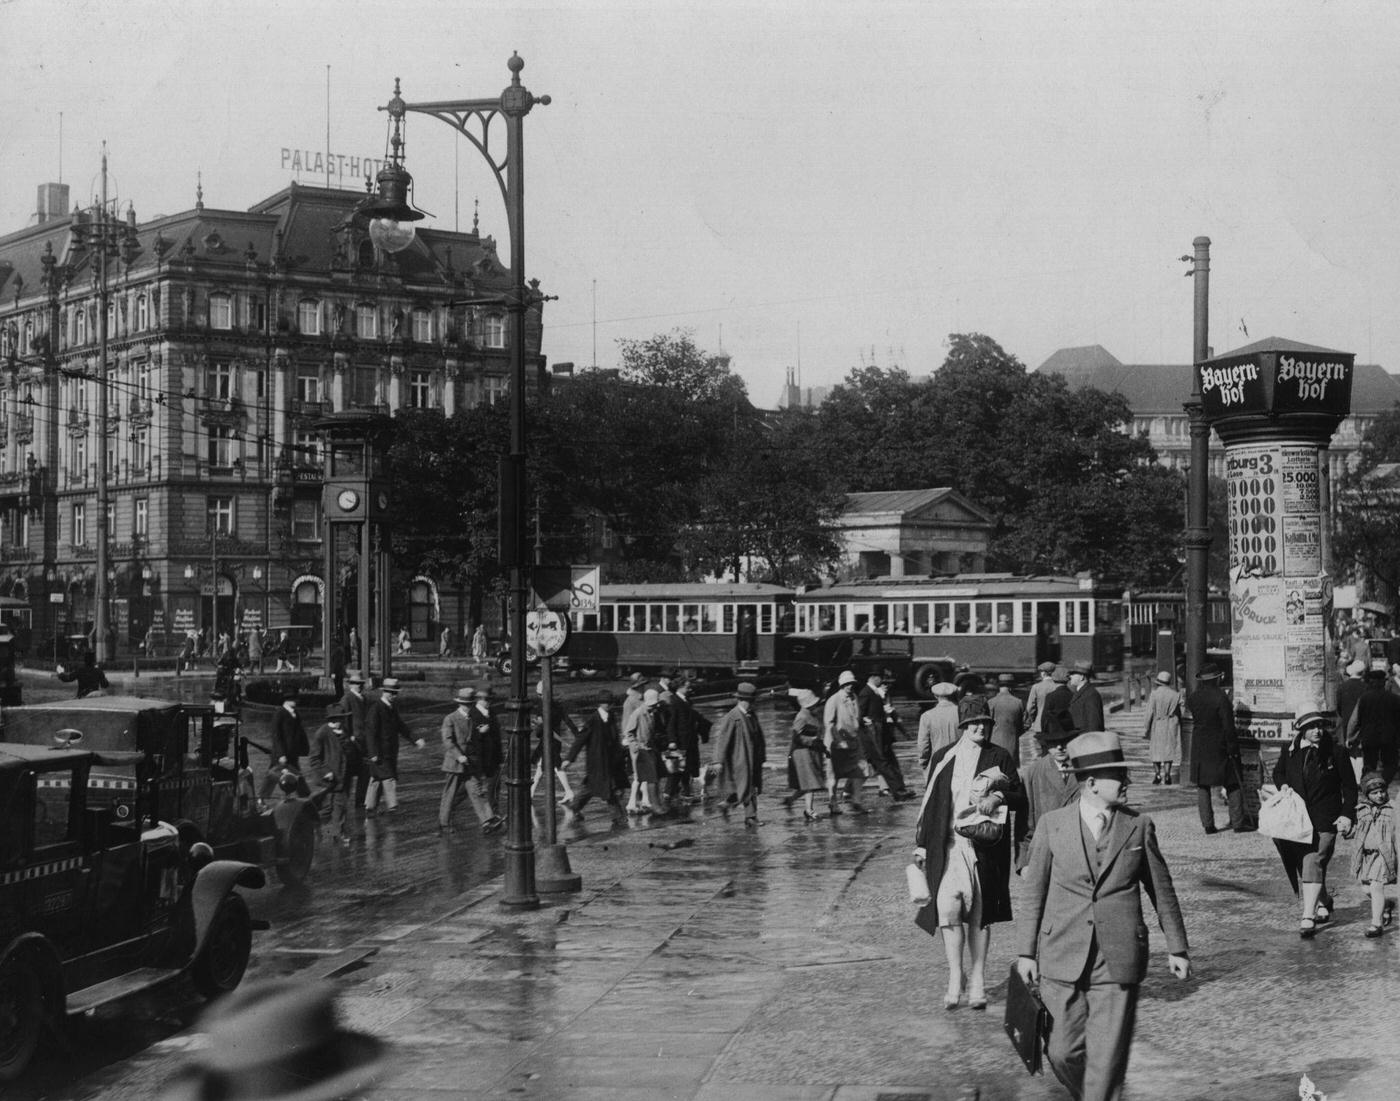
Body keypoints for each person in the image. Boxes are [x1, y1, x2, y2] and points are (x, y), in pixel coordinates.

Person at [1015, 730, 1191, 1101]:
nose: (1127, 781)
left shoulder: (1138, 826)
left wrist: (1178, 947)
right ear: (1092, 783)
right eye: (1119, 775)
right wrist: (1026, 953)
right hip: (1061, 954)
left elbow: (1162, 890)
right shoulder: (1052, 825)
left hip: (1118, 958)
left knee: (1107, 1058)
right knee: (1062, 1051)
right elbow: (1033, 894)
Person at [913, 713, 1022, 1011]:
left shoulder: (998, 755)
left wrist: (999, 796)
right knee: (947, 909)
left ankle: (977, 979)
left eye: (985, 723)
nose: (980, 728)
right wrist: (922, 845)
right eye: (973, 723)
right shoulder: (943, 757)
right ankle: (954, 975)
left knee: (979, 914)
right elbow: (929, 803)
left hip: (984, 846)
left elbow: (1019, 794)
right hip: (947, 846)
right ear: (962, 725)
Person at [1273, 708, 1357, 938]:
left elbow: (1349, 787)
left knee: (1313, 860)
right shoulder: (1289, 751)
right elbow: (1278, 773)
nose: (1317, 731)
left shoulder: (1337, 752)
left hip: (1326, 818)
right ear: (1301, 729)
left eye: (1320, 725)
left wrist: (1347, 814)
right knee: (1306, 865)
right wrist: (1283, 786)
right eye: (1311, 727)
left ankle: (1307, 916)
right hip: (1297, 820)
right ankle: (1325, 901)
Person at [1184, 662, 1248, 834]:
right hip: (1220, 745)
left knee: (1202, 785)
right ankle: (1238, 822)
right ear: (1218, 679)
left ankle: (1208, 824)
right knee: (1232, 781)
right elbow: (1228, 727)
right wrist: (1233, 748)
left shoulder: (1193, 698)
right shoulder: (1221, 698)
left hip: (1199, 746)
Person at [1014, 712, 1081, 873]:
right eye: (1053, 742)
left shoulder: (1086, 769)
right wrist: (1023, 864)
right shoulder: (1033, 773)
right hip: (1048, 858)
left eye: (1064, 741)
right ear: (1045, 743)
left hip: (1081, 855)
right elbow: (1024, 825)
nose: (1059, 747)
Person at [438, 686, 502, 835]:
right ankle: (444, 824)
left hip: (471, 762)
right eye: (465, 704)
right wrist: (458, 755)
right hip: (454, 763)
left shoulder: (473, 719)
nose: (468, 707)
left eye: (470, 704)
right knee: (450, 794)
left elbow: (474, 737)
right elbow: (448, 741)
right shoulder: (450, 718)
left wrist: (480, 732)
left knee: (477, 791)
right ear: (460, 704)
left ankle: (488, 821)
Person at [364, 677, 426, 816]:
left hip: (390, 751)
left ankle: (369, 807)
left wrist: (415, 740)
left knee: (377, 778)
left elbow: (401, 727)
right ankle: (393, 806)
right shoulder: (376, 709)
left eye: (396, 692)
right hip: (379, 752)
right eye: (391, 692)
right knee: (388, 778)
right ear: (384, 692)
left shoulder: (392, 708)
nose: (394, 695)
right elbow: (370, 732)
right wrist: (373, 753)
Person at [1349, 770, 1397, 938]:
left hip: (1383, 854)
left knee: (1377, 886)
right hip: (1367, 855)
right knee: (1366, 888)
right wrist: (1347, 829)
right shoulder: (1361, 810)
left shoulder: (1392, 809)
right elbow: (1357, 830)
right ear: (1367, 795)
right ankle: (1385, 905)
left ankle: (1376, 924)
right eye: (1375, 793)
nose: (1379, 795)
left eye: (1382, 791)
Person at [564, 691, 626, 820]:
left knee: (593, 787)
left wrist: (620, 752)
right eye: (606, 703)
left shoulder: (611, 717)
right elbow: (580, 739)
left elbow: (614, 738)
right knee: (607, 786)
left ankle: (575, 806)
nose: (608, 705)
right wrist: (570, 758)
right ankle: (618, 817)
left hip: (609, 760)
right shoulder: (593, 720)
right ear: (600, 704)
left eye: (610, 703)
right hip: (597, 761)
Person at [715, 681, 767, 827]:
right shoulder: (732, 717)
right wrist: (718, 761)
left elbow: (759, 737)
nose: (752, 704)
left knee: (749, 787)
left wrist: (762, 756)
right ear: (742, 700)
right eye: (749, 701)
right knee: (747, 787)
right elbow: (722, 739)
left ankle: (726, 805)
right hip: (740, 759)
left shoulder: (752, 715)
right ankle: (750, 817)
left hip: (753, 758)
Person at [857, 671, 914, 801]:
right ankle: (898, 791)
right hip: (873, 734)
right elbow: (860, 713)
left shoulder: (873, 692)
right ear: (873, 678)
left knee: (880, 762)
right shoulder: (867, 692)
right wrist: (866, 721)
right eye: (880, 678)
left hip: (877, 733)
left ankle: (899, 790)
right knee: (881, 762)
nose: (882, 681)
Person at [823, 669, 869, 815]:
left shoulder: (854, 697)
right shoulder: (833, 700)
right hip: (836, 744)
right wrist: (839, 740)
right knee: (834, 775)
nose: (850, 686)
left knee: (862, 770)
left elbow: (855, 717)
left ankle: (856, 801)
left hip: (854, 741)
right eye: (847, 684)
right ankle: (833, 803)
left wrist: (863, 722)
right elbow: (829, 724)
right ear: (841, 685)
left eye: (851, 684)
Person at [307, 702, 353, 845]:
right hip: (328, 779)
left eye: (343, 719)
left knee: (340, 806)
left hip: (343, 776)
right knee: (328, 808)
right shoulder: (322, 733)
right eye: (339, 719)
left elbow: (347, 753)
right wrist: (325, 772)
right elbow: (314, 758)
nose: (342, 721)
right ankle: (314, 828)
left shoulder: (344, 731)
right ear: (332, 720)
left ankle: (337, 833)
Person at [1344, 668, 1400, 784]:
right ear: (1383, 682)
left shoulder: (1364, 699)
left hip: (1369, 737)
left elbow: (1354, 720)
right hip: (1389, 738)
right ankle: (1383, 782)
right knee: (1391, 764)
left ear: (1371, 682)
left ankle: (1369, 786)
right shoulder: (1394, 698)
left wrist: (1350, 737)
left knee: (1369, 765)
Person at [529, 680, 575, 805]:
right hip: (554, 740)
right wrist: (577, 734)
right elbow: (568, 720)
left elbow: (542, 724)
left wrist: (536, 723)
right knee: (541, 766)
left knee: (553, 766)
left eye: (539, 695)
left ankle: (568, 791)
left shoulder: (541, 706)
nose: (539, 697)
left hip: (548, 740)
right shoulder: (557, 705)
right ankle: (531, 793)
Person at [258, 695, 310, 805]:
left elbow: (300, 732)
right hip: (281, 754)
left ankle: (305, 796)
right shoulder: (280, 713)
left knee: (294, 774)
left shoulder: (295, 713)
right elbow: (276, 735)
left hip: (292, 753)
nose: (296, 701)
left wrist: (303, 748)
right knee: (274, 775)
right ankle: (261, 798)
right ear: (286, 701)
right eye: (293, 699)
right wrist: (281, 754)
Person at [621, 687, 665, 814]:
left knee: (656, 776)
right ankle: (655, 805)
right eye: (653, 705)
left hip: (651, 748)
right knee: (651, 778)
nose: (655, 707)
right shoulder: (638, 713)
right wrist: (634, 745)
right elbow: (628, 732)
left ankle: (653, 802)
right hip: (641, 749)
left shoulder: (653, 713)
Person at [667, 678, 711, 804]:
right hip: (681, 741)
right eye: (687, 687)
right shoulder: (674, 702)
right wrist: (672, 740)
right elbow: (671, 723)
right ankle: (674, 793)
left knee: (689, 766)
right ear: (680, 687)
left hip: (690, 739)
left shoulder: (687, 701)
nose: (690, 689)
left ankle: (686, 792)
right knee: (679, 768)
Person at [786, 688, 828, 820]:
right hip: (802, 753)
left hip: (811, 751)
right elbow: (796, 737)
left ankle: (790, 800)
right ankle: (809, 810)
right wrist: (812, 741)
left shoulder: (812, 715)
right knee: (810, 782)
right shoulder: (802, 716)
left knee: (809, 782)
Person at [339, 670, 373, 826]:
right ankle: (342, 810)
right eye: (355, 684)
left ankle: (360, 804)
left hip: (364, 744)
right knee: (347, 778)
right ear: (350, 685)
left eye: (360, 684)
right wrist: (349, 737)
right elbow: (342, 721)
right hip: (352, 745)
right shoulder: (346, 699)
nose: (359, 686)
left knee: (364, 775)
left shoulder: (365, 699)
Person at [1141, 670, 1183, 786]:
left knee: (1156, 751)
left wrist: (1145, 728)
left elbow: (1149, 712)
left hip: (1158, 723)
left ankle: (1158, 774)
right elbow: (1180, 712)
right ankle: (1168, 774)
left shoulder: (1154, 694)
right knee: (1168, 750)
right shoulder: (1175, 695)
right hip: (1170, 724)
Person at [917, 682, 961, 776]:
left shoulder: (927, 716)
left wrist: (923, 762)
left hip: (937, 762)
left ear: (936, 696)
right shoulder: (962, 713)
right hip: (960, 761)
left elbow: (923, 744)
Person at [987, 673, 1025, 760]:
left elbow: (987, 726)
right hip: (1012, 743)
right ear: (1011, 686)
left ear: (998, 686)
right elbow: (1024, 725)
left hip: (994, 743)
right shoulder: (1018, 702)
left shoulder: (991, 702)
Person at [1022, 660, 1058, 745]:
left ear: (1043, 673)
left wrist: (1031, 721)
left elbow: (1030, 707)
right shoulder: (1057, 686)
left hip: (1039, 724)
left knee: (1042, 749)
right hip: (1055, 724)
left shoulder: (1036, 687)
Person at [1067, 661, 1105, 733]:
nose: (1070, 676)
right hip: (1078, 738)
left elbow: (1094, 723)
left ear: (1082, 677)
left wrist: (1091, 740)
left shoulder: (1091, 695)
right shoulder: (1080, 691)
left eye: (1073, 674)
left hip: (1086, 739)